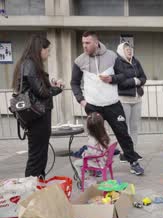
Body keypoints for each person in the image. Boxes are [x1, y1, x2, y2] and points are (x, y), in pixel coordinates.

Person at [70, 31, 144, 175]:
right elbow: (74, 82)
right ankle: (96, 165)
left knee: (123, 133)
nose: (84, 46)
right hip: (92, 105)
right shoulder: (79, 60)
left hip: (113, 104)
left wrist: (112, 79)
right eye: (83, 43)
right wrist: (82, 100)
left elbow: (124, 75)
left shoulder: (112, 56)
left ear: (96, 43)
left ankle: (133, 161)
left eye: (87, 43)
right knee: (95, 137)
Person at [11, 35, 63, 178]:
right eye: (48, 50)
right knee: (37, 157)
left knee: (39, 156)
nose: (49, 53)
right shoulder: (30, 64)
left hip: (36, 115)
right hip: (38, 116)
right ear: (40, 49)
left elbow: (37, 88)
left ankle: (38, 187)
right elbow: (41, 92)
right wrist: (57, 88)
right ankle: (31, 191)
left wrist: (49, 85)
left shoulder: (27, 64)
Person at [114, 42, 147, 161]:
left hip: (137, 98)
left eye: (130, 48)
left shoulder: (135, 61)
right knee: (124, 127)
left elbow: (144, 77)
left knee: (134, 126)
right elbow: (120, 82)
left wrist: (137, 81)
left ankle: (133, 151)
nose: (129, 50)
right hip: (124, 100)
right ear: (121, 50)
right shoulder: (117, 63)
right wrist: (133, 81)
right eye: (126, 48)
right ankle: (124, 152)